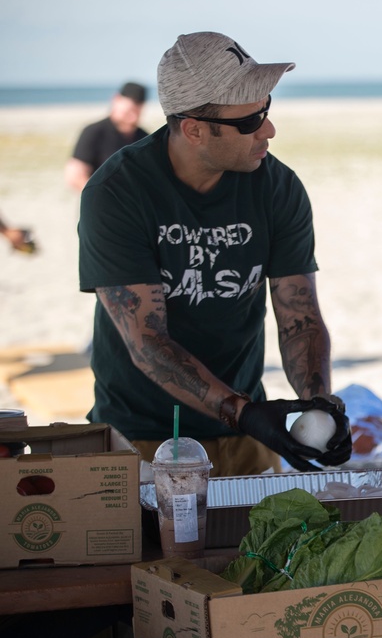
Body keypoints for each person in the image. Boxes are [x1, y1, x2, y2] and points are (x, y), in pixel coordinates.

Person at [77, 32, 351, 477]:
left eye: (267, 111)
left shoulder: (277, 187)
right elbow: (148, 343)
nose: (268, 129)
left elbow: (299, 317)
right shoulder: (118, 193)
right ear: (194, 129)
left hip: (245, 436)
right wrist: (242, 411)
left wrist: (319, 403)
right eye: (250, 121)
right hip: (142, 437)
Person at [65, 82, 149, 192]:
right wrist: (99, 197)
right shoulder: (94, 131)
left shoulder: (145, 138)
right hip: (99, 202)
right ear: (116, 99)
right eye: (129, 111)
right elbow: (74, 174)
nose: (133, 118)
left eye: (137, 112)